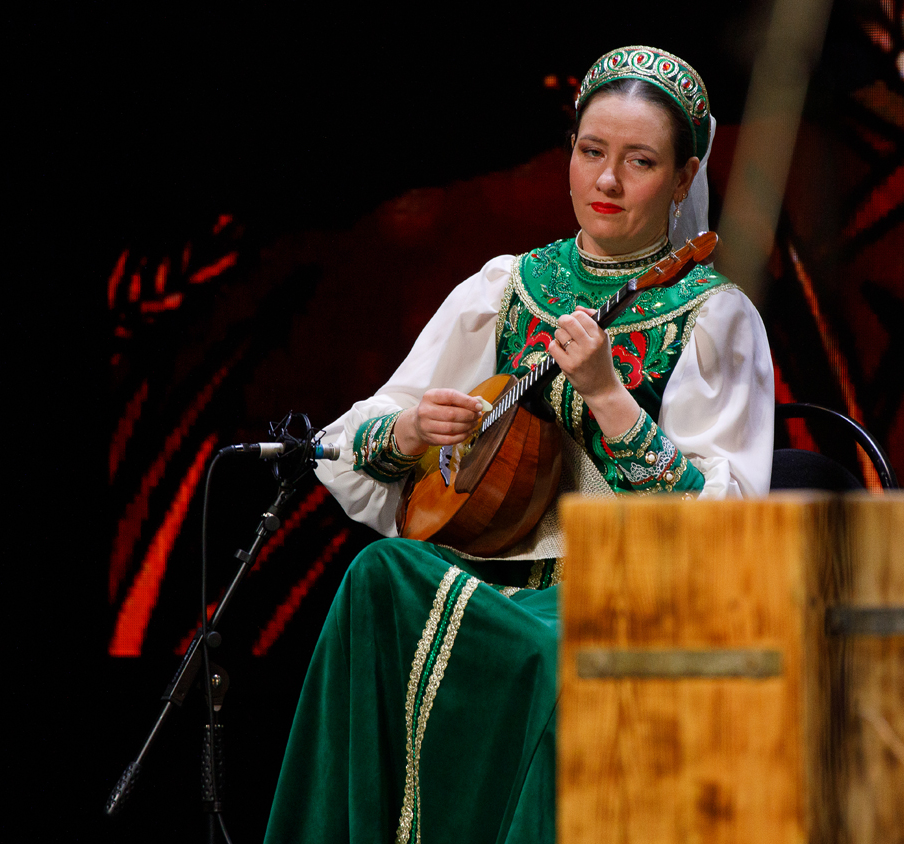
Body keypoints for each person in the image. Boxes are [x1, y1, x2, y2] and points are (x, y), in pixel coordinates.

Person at [264, 46, 774, 844]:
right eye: (591, 152)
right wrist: (411, 430)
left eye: (639, 162)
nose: (607, 180)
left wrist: (608, 397)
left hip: (623, 595)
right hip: (494, 569)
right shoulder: (506, 286)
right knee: (377, 573)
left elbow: (722, 528)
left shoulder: (711, 316)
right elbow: (348, 440)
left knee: (553, 649)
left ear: (683, 179)